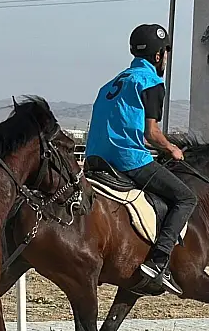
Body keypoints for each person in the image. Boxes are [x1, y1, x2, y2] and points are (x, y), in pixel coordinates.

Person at [85, 24, 198, 294]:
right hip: (127, 159)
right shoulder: (151, 82)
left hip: (94, 159)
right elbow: (152, 133)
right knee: (186, 198)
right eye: (166, 54)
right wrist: (172, 149)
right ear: (158, 56)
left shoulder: (111, 82)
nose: (166, 59)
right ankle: (159, 261)